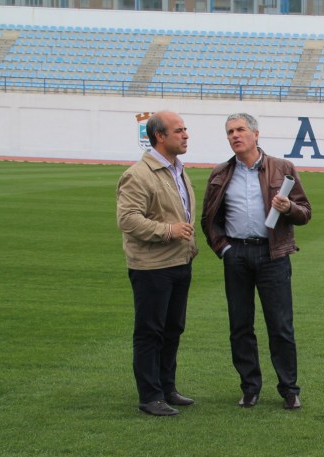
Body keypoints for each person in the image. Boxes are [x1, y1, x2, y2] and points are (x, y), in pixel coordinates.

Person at [201, 112, 312, 410]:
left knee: (280, 326)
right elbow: (209, 219)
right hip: (236, 255)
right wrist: (224, 249)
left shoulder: (282, 168)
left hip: (272, 255)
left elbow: (305, 213)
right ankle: (250, 387)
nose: (235, 136)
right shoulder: (221, 173)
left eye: (240, 130)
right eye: (230, 132)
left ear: (255, 134)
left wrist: (288, 207)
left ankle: (289, 389)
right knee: (240, 325)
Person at [116, 110, 198, 416]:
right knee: (150, 331)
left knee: (173, 328)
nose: (186, 134)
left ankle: (167, 388)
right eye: (179, 130)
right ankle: (150, 397)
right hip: (152, 267)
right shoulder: (138, 174)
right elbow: (127, 219)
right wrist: (169, 231)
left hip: (179, 261)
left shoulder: (177, 169)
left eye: (186, 129)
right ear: (159, 137)